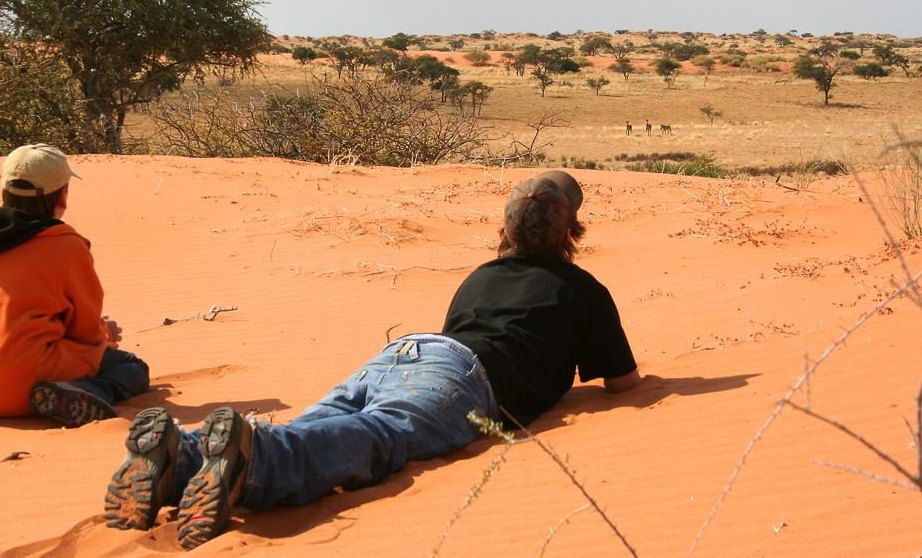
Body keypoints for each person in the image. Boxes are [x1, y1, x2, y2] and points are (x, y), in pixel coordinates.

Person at [103, 170, 641, 550]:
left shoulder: (480, 276)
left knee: (318, 425)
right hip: (463, 374)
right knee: (379, 436)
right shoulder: (581, 288)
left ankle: (182, 453)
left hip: (403, 353)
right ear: (571, 231)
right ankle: (254, 460)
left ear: (505, 230)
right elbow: (622, 383)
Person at [0, 144, 149, 427]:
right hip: (23, 384)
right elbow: (85, 331)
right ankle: (83, 393)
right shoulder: (66, 246)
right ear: (62, 196)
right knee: (131, 367)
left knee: (1, 363)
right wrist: (106, 334)